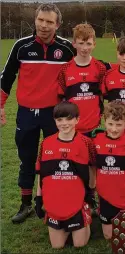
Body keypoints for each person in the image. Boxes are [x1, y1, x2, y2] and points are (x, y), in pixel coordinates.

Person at [0, 3, 76, 223]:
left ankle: (52, 201)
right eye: (41, 20)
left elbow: (82, 70)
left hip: (56, 115)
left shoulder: (66, 48)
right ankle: (25, 205)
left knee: (56, 159)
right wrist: (1, 105)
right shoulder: (21, 46)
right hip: (26, 113)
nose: (44, 26)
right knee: (27, 159)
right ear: (35, 20)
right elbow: (7, 77)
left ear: (57, 24)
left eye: (49, 22)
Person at [34, 101, 96, 249]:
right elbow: (41, 174)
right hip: (55, 202)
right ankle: (64, 225)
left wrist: (91, 193)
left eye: (69, 119)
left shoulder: (86, 143)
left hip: (77, 201)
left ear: (77, 120)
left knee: (80, 244)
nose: (64, 123)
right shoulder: (46, 143)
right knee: (57, 246)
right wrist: (38, 197)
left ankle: (84, 216)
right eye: (59, 120)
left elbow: (93, 168)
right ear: (54, 121)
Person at [91, 101, 125, 240]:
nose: (114, 129)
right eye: (110, 124)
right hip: (106, 195)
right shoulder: (96, 140)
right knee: (109, 236)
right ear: (104, 121)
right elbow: (91, 164)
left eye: (119, 125)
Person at [58, 23, 108, 137]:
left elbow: (103, 95)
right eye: (81, 43)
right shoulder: (65, 69)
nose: (85, 48)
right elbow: (61, 99)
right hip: (72, 129)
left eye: (88, 44)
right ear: (74, 44)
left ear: (94, 44)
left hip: (94, 128)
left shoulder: (100, 68)